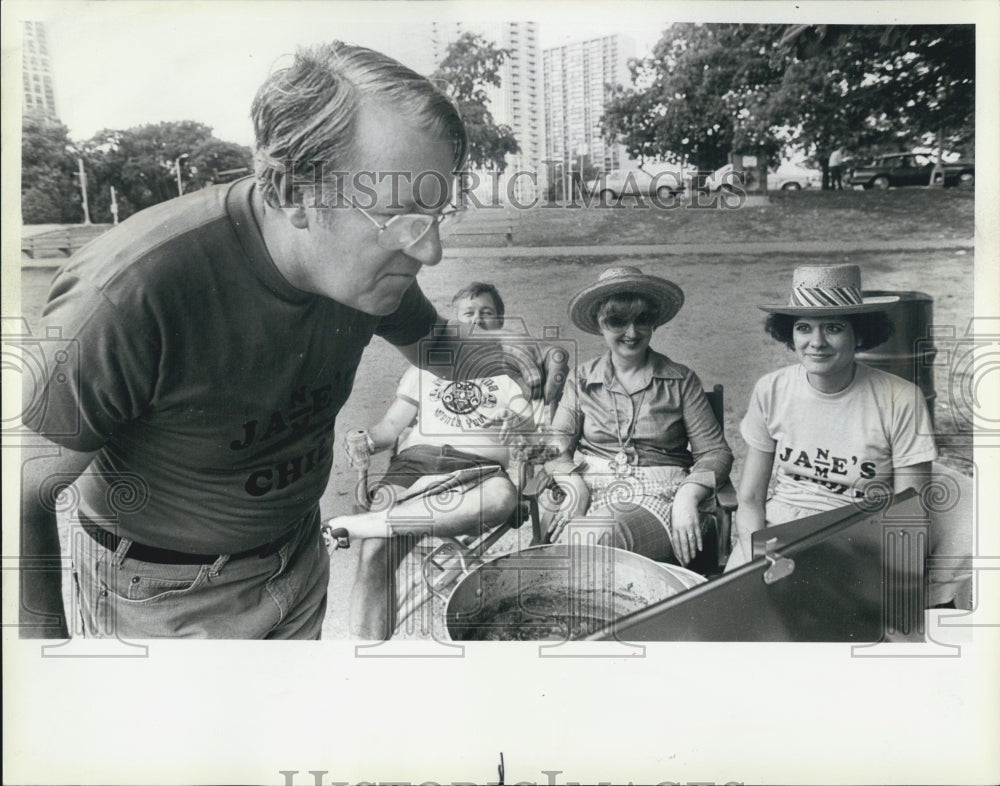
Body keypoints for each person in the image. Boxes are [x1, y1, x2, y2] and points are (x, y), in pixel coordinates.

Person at [18, 42, 548, 639]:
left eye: (436, 216)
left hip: (298, 555)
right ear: (295, 193)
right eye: (401, 220)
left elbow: (439, 351)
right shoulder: (130, 291)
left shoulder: (371, 276)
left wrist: (512, 357)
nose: (430, 251)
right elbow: (23, 484)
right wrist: (45, 665)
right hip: (162, 597)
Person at [324, 282, 543, 639]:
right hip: (415, 464)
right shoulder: (423, 370)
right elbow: (390, 428)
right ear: (453, 324)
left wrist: (519, 425)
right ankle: (365, 664)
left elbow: (530, 430)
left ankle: (361, 524)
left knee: (503, 499)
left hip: (479, 471)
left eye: (487, 314)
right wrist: (365, 439)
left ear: (499, 323)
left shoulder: (507, 379)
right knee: (374, 553)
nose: (477, 320)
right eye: (468, 314)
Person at [725, 264, 938, 570]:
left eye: (833, 328)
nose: (817, 342)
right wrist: (757, 555)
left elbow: (910, 516)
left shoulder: (901, 399)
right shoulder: (771, 389)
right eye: (803, 327)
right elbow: (750, 499)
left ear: (859, 333)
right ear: (790, 333)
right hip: (779, 530)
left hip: (859, 536)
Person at [542, 266, 733, 569]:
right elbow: (553, 445)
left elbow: (715, 453)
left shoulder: (680, 381)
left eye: (642, 320)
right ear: (600, 324)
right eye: (617, 321)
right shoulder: (581, 379)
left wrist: (688, 495)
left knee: (594, 538)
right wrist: (573, 484)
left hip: (659, 496)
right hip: (591, 489)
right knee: (581, 543)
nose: (632, 333)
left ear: (653, 323)